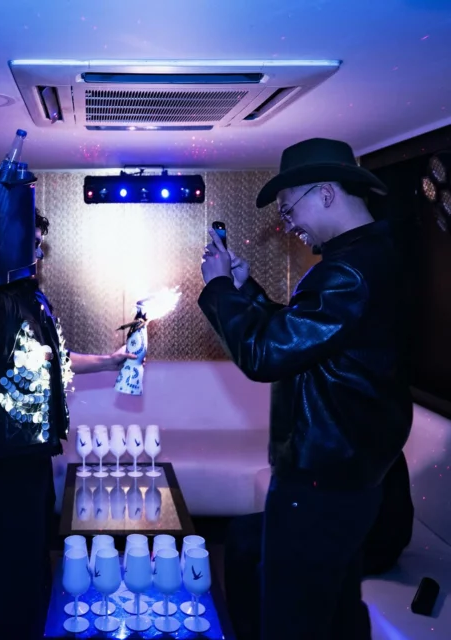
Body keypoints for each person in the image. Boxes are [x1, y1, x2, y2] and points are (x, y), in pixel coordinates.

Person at [198, 138, 413, 640]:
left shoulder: (347, 271)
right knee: (334, 613)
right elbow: (305, 337)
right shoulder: (371, 256)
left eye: (289, 209)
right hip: (349, 479)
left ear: (327, 193)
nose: (289, 224)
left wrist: (219, 288)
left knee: (293, 620)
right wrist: (248, 291)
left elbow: (266, 354)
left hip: (321, 484)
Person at [0, 181, 133, 640]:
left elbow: (57, 361)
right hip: (3, 459)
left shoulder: (33, 299)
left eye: (39, 243)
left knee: (32, 560)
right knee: (5, 569)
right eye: (31, 240)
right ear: (8, 242)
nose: (38, 250)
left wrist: (111, 361)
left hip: (32, 454)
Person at [223, 450, 414, 639]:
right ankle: (241, 630)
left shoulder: (357, 444)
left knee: (251, 549)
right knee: (240, 532)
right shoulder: (330, 441)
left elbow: (380, 523)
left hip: (367, 541)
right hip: (329, 519)